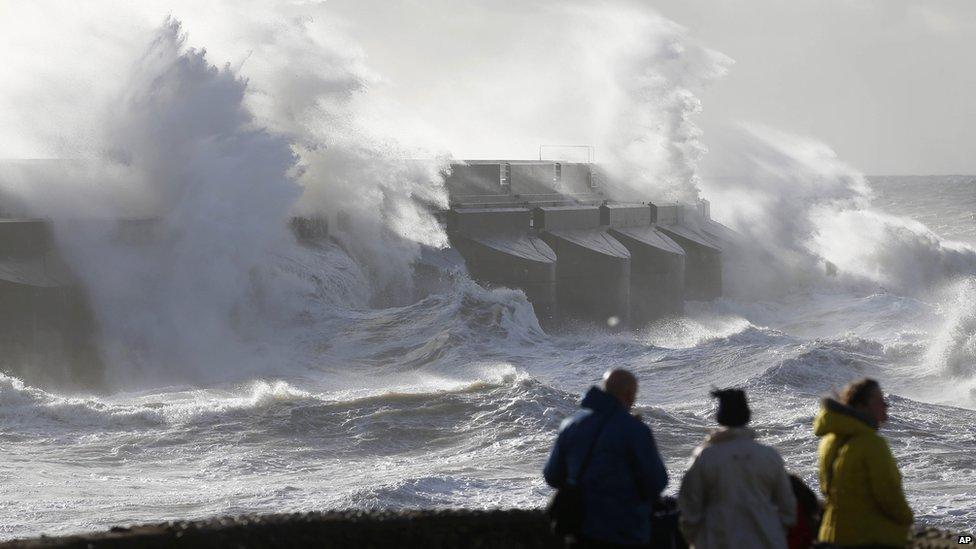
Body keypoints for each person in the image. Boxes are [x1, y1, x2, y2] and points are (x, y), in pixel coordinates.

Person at [544, 369, 669, 548]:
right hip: (626, 531)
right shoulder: (635, 430)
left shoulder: (571, 426)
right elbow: (657, 481)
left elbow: (552, 476)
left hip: (581, 530)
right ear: (629, 395)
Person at [678, 389, 796, 549]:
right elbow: (787, 508)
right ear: (747, 414)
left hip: (717, 541)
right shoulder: (769, 456)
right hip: (766, 540)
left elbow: (689, 508)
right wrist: (773, 530)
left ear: (719, 416)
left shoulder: (705, 456)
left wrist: (696, 540)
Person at [813, 378, 913, 548]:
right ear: (861, 406)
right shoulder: (871, 444)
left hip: (830, 534)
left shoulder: (828, 441)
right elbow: (889, 496)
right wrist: (907, 519)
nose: (886, 405)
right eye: (879, 401)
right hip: (866, 538)